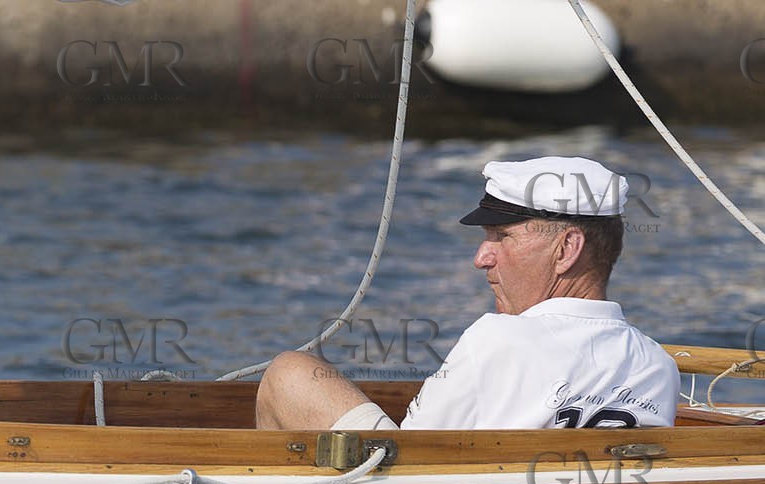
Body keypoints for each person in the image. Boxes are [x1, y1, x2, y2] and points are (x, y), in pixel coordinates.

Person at [255, 156, 678, 431]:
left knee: (291, 372)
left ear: (566, 249)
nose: (481, 258)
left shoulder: (496, 340)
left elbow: (414, 461)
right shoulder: (658, 367)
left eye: (501, 236)